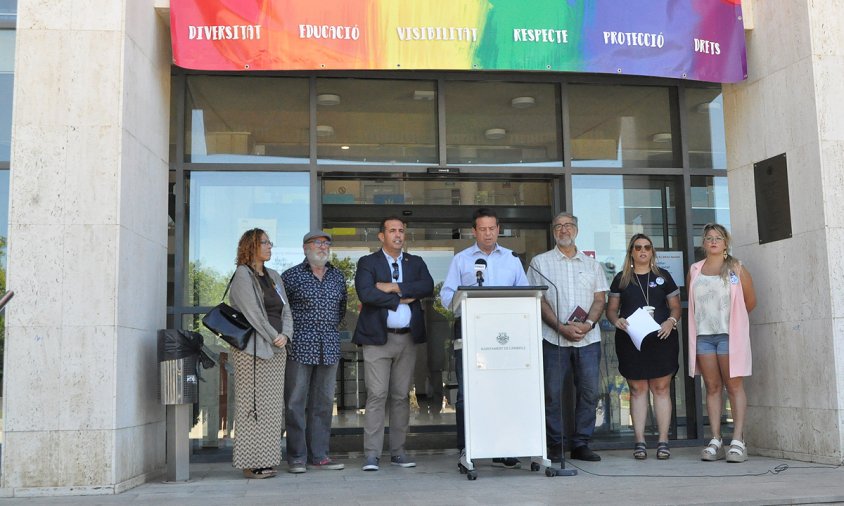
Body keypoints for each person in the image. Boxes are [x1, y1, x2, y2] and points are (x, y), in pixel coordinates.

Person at [440, 207, 529, 469]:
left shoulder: (512, 258)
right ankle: (467, 447)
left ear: (498, 229)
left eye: (492, 228)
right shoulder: (462, 260)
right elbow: (446, 296)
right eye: (482, 229)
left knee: (503, 391)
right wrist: (461, 300)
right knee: (468, 393)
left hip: (506, 335)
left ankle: (503, 446)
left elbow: (525, 294)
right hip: (470, 332)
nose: (488, 233)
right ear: (474, 231)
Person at [353, 217, 434, 471]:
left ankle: (398, 451)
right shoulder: (368, 262)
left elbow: (427, 286)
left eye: (401, 231)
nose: (397, 235)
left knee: (401, 396)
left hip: (407, 339)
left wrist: (392, 287)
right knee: (377, 395)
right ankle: (371, 455)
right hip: (378, 339)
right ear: (381, 236)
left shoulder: (416, 262)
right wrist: (400, 299)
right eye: (392, 231)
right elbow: (366, 293)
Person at [527, 212, 608, 462]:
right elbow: (537, 300)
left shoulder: (592, 265)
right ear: (553, 231)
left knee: (589, 393)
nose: (564, 230)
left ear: (576, 230)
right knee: (552, 393)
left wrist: (589, 324)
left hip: (588, 340)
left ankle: (581, 443)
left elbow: (599, 299)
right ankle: (555, 444)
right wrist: (561, 327)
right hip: (554, 339)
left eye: (568, 226)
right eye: (559, 226)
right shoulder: (539, 263)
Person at [605, 234, 681, 460]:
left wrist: (671, 321)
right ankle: (639, 441)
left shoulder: (663, 276)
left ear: (652, 252)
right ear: (631, 252)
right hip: (631, 340)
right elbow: (611, 309)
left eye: (647, 247)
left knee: (661, 389)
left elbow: (676, 307)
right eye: (638, 247)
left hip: (661, 338)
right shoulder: (621, 278)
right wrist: (615, 320)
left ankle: (663, 441)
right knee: (637, 390)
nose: (642, 251)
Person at [687, 223, 756, 463]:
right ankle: (715, 439)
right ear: (703, 243)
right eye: (709, 238)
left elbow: (750, 301)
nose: (713, 241)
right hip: (704, 336)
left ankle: (738, 440)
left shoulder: (737, 268)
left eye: (718, 238)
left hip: (729, 335)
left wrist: (733, 322)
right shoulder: (695, 269)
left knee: (734, 386)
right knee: (712, 387)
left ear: (726, 243)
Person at [228, 228, 293, 479]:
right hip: (253, 351)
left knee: (271, 408)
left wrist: (285, 335)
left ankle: (266, 459)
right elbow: (253, 313)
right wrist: (273, 335)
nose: (269, 246)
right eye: (264, 242)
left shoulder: (275, 276)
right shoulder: (243, 275)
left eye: (269, 242)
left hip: (278, 349)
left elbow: (286, 309)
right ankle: (250, 462)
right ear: (250, 246)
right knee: (251, 406)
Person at [281, 230, 347, 473]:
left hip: (329, 346)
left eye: (326, 243)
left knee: (323, 404)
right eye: (317, 243)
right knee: (295, 403)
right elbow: (283, 313)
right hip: (299, 346)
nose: (323, 247)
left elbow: (341, 310)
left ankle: (319, 455)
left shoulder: (338, 277)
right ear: (305, 248)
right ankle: (297, 457)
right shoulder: (291, 277)